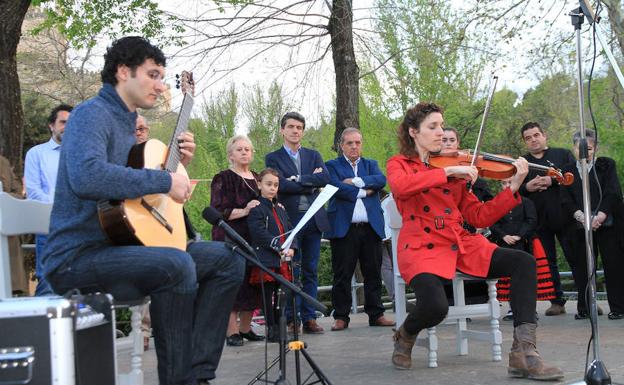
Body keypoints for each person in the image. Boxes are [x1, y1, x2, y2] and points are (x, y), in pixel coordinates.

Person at [42, 36, 244, 385]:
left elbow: (130, 198)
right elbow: (87, 177)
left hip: (124, 248)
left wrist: (174, 168)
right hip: (77, 257)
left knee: (228, 259)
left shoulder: (128, 122)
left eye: (163, 77)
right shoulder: (92, 115)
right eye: (153, 74)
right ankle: (177, 380)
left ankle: (196, 373)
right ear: (123, 71)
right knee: (176, 264)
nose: (160, 85)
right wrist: (164, 182)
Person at [387, 102, 563, 381]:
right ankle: (405, 334)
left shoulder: (455, 169)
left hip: (460, 242)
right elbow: (400, 187)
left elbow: (479, 217)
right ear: (413, 132)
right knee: (435, 307)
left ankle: (524, 353)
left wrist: (514, 187)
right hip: (421, 246)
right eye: (433, 127)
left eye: (442, 125)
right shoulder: (400, 164)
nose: (440, 132)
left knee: (523, 262)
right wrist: (446, 172)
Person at [265, 112, 330, 334]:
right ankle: (293, 319)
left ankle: (310, 317)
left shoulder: (314, 155)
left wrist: (299, 180)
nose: (295, 131)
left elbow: (324, 179)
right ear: (282, 130)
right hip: (290, 222)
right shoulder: (273, 158)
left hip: (314, 221)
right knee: (291, 270)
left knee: (311, 270)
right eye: (291, 126)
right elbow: (280, 185)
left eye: (299, 127)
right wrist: (309, 183)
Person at [324, 127, 394, 331]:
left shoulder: (371, 164)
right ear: (342, 145)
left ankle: (376, 314)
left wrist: (355, 182)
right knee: (342, 274)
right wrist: (366, 191)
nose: (354, 146)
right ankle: (341, 317)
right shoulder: (332, 166)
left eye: (357, 142)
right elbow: (336, 187)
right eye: (349, 143)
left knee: (373, 273)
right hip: (344, 229)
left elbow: (381, 181)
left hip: (371, 228)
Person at [560, 129, 624, 320]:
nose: (584, 152)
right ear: (573, 148)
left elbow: (613, 192)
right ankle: (585, 308)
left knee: (614, 265)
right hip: (579, 225)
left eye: (588, 148)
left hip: (608, 224)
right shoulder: (567, 170)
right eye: (580, 148)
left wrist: (600, 216)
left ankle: (618, 308)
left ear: (595, 148)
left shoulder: (606, 165)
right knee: (582, 267)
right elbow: (565, 199)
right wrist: (583, 217)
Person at [210, 135, 264, 346]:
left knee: (253, 283)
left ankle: (246, 328)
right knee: (233, 283)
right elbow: (216, 211)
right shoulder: (223, 178)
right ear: (230, 154)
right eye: (239, 149)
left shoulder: (258, 177)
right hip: (230, 237)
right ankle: (231, 332)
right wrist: (245, 210)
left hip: (255, 238)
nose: (244, 152)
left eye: (247, 149)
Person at [519, 122, 576, 316]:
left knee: (575, 258)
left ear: (545, 136)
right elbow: (512, 189)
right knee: (548, 261)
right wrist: (528, 187)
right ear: (525, 142)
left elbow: (575, 179)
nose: (533, 140)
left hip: (566, 216)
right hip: (538, 220)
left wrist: (552, 181)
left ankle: (586, 301)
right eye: (528, 137)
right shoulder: (522, 163)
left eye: (536, 135)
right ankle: (557, 302)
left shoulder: (563, 154)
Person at [490, 177, 555, 321]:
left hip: (524, 244)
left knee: (526, 278)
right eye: (504, 182)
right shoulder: (496, 203)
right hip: (505, 244)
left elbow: (531, 221)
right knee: (507, 279)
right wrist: (504, 235)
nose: (507, 185)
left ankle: (530, 310)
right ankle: (512, 309)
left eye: (510, 182)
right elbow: (492, 222)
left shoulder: (526, 202)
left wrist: (519, 235)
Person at [24, 103, 73, 296]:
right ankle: (41, 326)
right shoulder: (36, 154)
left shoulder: (82, 154)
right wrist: (62, 209)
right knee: (48, 282)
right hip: (50, 227)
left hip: (81, 227)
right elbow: (34, 192)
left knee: (81, 284)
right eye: (63, 122)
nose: (67, 127)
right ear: (51, 126)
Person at [246, 168, 297, 342]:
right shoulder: (257, 209)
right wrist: (278, 245)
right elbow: (258, 233)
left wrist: (292, 247)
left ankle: (281, 329)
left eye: (275, 185)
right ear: (259, 184)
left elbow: (291, 230)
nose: (272, 188)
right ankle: (272, 330)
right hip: (267, 260)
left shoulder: (281, 209)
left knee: (282, 296)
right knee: (269, 298)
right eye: (268, 184)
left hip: (282, 260)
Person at [0, 155, 29, 295]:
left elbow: (19, 193)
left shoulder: (3, 161)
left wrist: (3, 197)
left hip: (5, 227)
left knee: (9, 286)